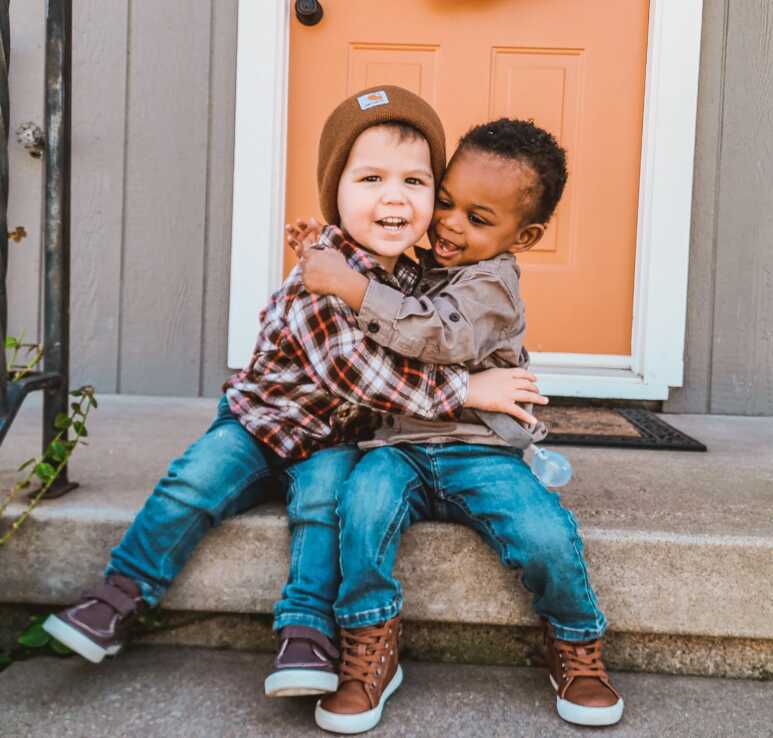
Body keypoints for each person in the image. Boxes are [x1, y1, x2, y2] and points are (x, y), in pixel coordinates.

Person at [42, 87, 542, 700]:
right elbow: (358, 375)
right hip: (261, 422)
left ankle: (306, 629)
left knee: (325, 507)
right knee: (195, 480)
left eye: (416, 183)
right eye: (371, 179)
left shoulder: (412, 274)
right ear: (335, 194)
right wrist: (470, 389)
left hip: (333, 438)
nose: (394, 197)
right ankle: (119, 595)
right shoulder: (322, 274)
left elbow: (439, 326)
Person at [293, 118, 624, 733]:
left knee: (544, 532)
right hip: (400, 445)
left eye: (477, 219)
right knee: (361, 506)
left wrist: (354, 288)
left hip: (481, 451)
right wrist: (327, 252)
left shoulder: (493, 283)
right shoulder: (413, 263)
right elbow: (359, 281)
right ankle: (370, 645)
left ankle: (576, 643)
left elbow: (439, 333)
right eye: (444, 201)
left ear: (521, 236)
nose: (448, 223)